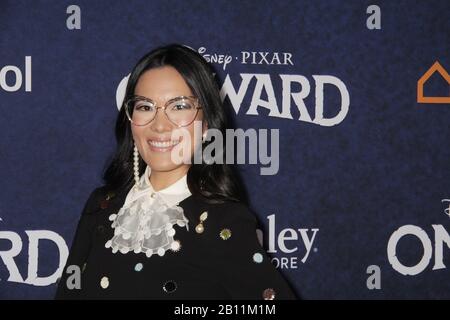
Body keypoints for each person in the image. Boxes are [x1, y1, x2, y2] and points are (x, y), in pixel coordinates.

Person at [55, 44, 297, 300]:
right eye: (145, 107)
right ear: (130, 120)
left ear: (206, 124)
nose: (159, 125)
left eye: (179, 106)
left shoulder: (224, 222)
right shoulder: (102, 205)